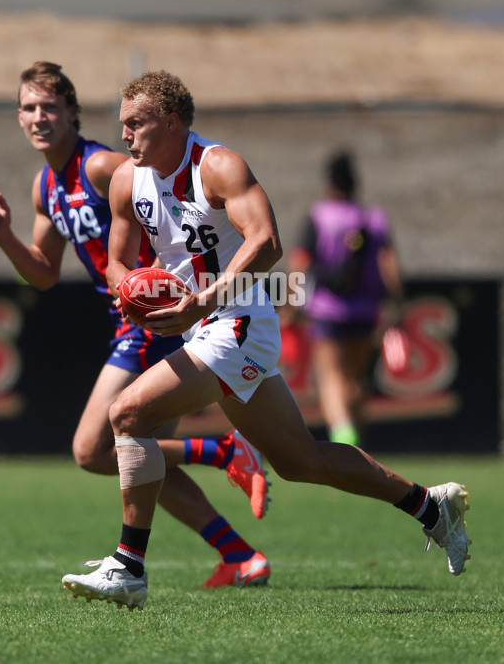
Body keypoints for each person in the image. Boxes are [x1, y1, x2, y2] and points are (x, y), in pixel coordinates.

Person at [60, 70, 472, 611]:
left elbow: (268, 243)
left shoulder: (218, 166)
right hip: (202, 324)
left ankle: (128, 568)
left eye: (136, 124)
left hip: (238, 324)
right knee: (300, 461)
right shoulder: (125, 180)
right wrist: (133, 293)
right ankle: (428, 507)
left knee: (127, 414)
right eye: (122, 124)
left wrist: (205, 300)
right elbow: (115, 262)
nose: (125, 135)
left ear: (172, 121)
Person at [0, 61, 271, 589]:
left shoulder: (105, 167)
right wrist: (5, 238)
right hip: (131, 319)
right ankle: (238, 554)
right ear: (18, 118)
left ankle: (218, 456)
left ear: (72, 113)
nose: (38, 117)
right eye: (28, 108)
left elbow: (162, 196)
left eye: (49, 107)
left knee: (96, 448)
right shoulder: (45, 185)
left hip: (153, 320)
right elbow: (43, 274)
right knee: (134, 452)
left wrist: (171, 291)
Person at [287, 150, 404, 447]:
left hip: (328, 312)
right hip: (366, 312)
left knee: (330, 378)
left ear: (330, 185)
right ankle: (360, 443)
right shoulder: (374, 218)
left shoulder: (318, 216)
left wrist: (291, 303)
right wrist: (397, 303)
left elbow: (299, 262)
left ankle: (343, 434)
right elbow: (388, 264)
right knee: (354, 380)